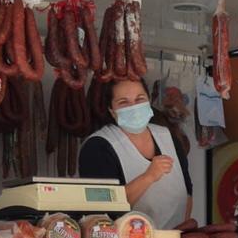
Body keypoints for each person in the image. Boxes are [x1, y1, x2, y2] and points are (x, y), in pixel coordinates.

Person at [79, 78, 192, 229]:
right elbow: (102, 209)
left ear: (149, 101)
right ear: (111, 110)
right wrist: (148, 177)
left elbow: (188, 192)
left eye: (140, 99)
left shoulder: (168, 137)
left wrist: (182, 234)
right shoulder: (97, 147)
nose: (134, 107)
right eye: (123, 102)